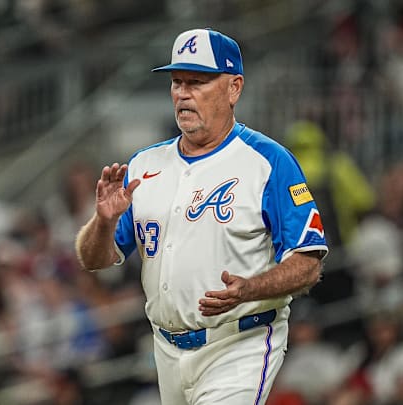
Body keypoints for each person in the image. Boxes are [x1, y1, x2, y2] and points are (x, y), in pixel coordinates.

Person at [75, 28, 328, 404]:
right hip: (165, 349)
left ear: (234, 88)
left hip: (240, 341)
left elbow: (308, 262)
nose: (183, 93)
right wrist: (105, 221)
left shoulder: (267, 162)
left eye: (198, 82)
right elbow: (93, 259)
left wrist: (251, 288)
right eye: (177, 82)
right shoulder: (144, 164)